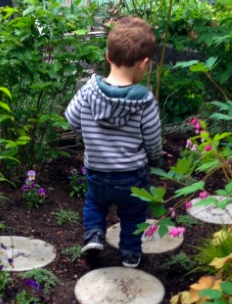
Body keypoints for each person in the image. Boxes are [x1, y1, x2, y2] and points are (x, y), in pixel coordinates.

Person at [64, 16, 162, 268]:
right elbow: (152, 138)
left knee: (94, 204)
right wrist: (156, 160)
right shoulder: (144, 100)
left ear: (108, 56)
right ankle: (130, 254)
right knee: (133, 213)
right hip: (131, 175)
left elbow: (72, 118)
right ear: (144, 63)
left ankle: (94, 236)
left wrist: (90, 134)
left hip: (97, 170)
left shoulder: (88, 90)